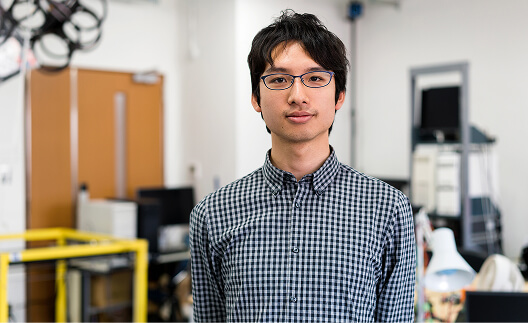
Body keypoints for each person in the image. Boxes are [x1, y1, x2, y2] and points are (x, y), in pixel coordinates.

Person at [190, 9, 416, 322]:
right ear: (256, 97)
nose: (298, 96)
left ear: (339, 96)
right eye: (279, 79)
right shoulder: (212, 214)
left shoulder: (388, 209)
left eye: (315, 78)